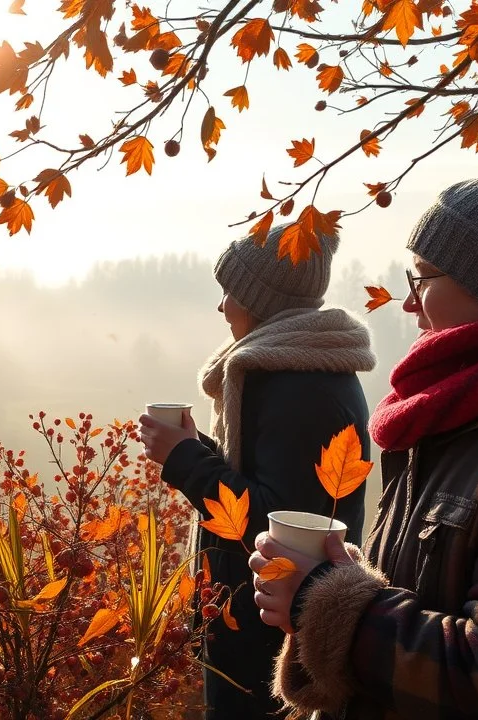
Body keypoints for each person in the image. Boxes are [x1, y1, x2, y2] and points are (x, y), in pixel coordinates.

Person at [250, 166, 478, 718]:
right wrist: (342, 583)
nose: (409, 304)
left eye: (423, 278)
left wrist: (329, 603)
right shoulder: (457, 414)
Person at [138, 228, 375, 718]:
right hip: (254, 624)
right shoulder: (291, 375)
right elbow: (271, 482)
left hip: (266, 649)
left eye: (231, 292)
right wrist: (193, 448)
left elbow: (277, 530)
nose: (222, 308)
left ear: (261, 300)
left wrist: (186, 460)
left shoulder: (301, 390)